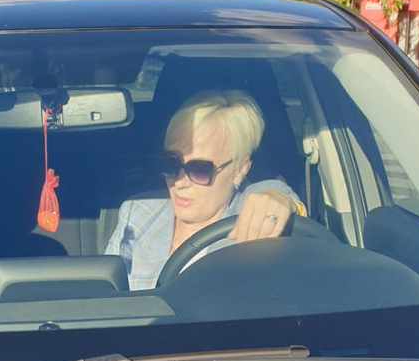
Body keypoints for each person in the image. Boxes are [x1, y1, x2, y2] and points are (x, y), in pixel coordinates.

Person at [104, 91, 301, 290]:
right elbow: (106, 292)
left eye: (199, 169)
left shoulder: (251, 220)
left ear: (240, 169)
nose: (180, 182)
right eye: (170, 163)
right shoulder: (137, 212)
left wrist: (281, 199)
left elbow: (276, 202)